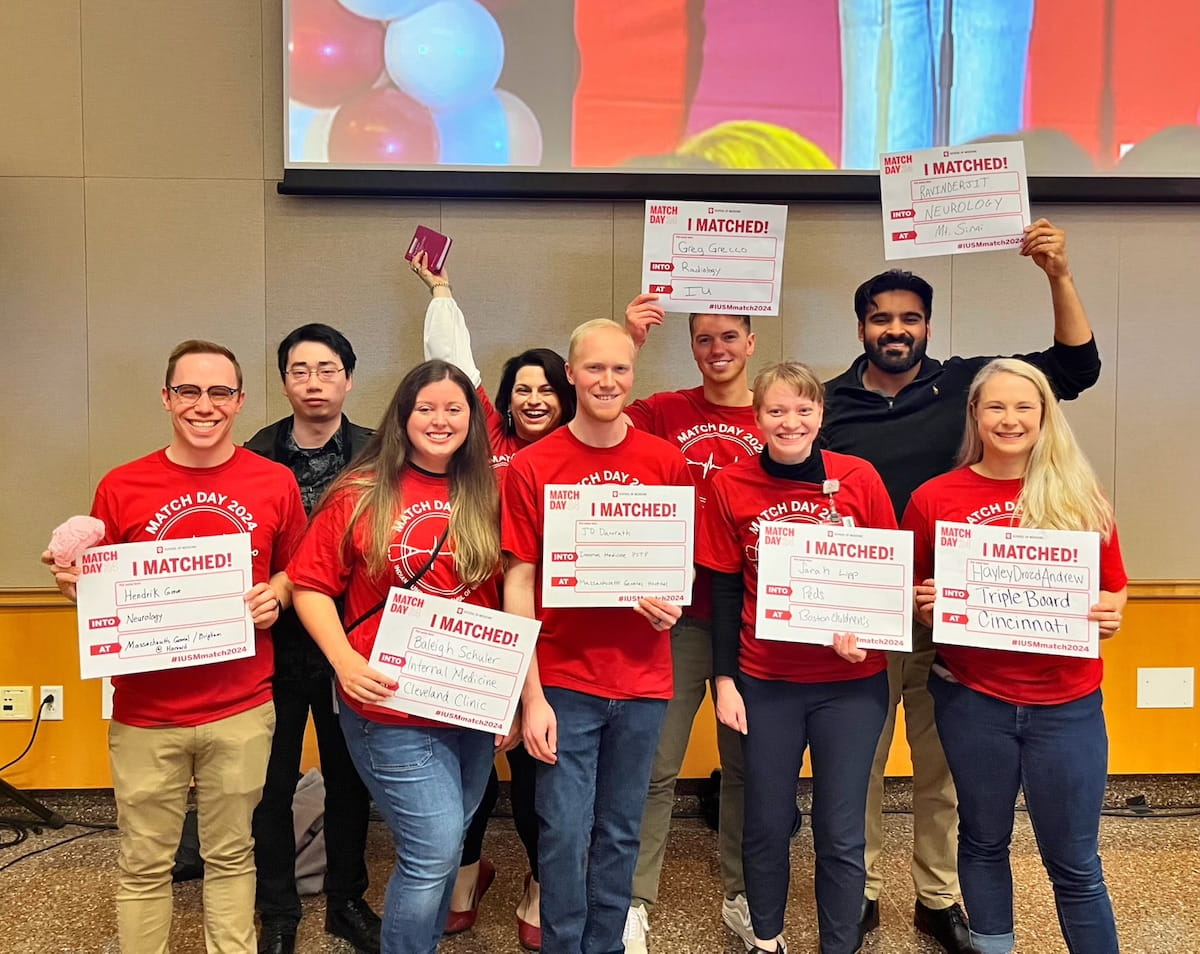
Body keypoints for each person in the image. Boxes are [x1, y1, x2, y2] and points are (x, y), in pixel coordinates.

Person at [820, 219, 1103, 954]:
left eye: (910, 318)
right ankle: (865, 892)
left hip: (969, 616)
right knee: (862, 762)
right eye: (881, 317)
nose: (896, 329)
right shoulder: (827, 405)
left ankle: (937, 896)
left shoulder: (970, 385)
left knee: (944, 766)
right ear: (860, 328)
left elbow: (1076, 368)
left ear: (927, 327)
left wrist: (1058, 273)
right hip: (866, 606)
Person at [44, 340, 306, 954]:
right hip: (144, 715)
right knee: (142, 866)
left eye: (219, 392)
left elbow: (297, 571)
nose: (204, 405)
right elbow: (98, 595)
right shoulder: (121, 485)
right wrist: (73, 588)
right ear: (166, 399)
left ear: (240, 401)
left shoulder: (274, 482)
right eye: (189, 390)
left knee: (233, 856)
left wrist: (277, 595)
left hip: (241, 708)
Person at [288, 359, 515, 954]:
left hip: (470, 702)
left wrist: (513, 695)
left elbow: (511, 592)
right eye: (426, 408)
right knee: (434, 848)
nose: (440, 420)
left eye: (454, 409)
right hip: (387, 703)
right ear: (402, 415)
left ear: (473, 419)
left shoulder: (494, 492)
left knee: (451, 838)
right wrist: (344, 661)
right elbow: (311, 585)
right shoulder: (362, 492)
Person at [903, 358, 1127, 954]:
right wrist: (926, 606)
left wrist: (1111, 612)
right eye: (995, 406)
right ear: (974, 413)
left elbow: (1115, 585)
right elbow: (917, 593)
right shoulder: (934, 499)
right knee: (981, 840)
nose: (1010, 419)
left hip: (1067, 704)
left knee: (1076, 862)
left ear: (1045, 416)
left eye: (1024, 406)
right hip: (973, 700)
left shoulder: (1082, 496)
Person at [502, 319, 693, 954]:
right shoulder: (533, 465)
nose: (607, 381)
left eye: (619, 369)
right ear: (572, 377)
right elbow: (519, 581)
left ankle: (605, 945)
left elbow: (680, 567)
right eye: (593, 369)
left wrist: (673, 603)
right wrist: (530, 696)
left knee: (619, 831)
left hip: (643, 680)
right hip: (562, 680)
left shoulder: (666, 462)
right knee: (561, 830)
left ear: (632, 374)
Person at [698, 361, 894, 954]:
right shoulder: (730, 486)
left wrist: (864, 630)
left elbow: (886, 575)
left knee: (840, 829)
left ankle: (840, 944)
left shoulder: (858, 478)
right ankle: (767, 937)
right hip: (765, 680)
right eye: (776, 410)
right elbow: (725, 591)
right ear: (756, 418)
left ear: (820, 416)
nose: (791, 421)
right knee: (766, 820)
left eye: (803, 409)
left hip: (851, 684)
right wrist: (724, 681)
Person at [415, 251, 576, 949]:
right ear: (505, 399)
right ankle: (467, 866)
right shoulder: (487, 442)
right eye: (523, 389)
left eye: (548, 389)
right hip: (476, 626)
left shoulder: (585, 451)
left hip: (554, 636)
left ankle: (543, 878)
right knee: (468, 758)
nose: (535, 398)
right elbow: (455, 363)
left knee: (541, 765)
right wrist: (443, 288)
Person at [620, 294, 763, 952]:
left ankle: (743, 894)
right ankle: (634, 901)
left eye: (729, 336)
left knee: (748, 767)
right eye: (704, 339)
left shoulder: (776, 412)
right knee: (655, 766)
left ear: (751, 341)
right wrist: (631, 339)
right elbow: (600, 420)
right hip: (677, 617)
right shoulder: (665, 411)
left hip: (758, 623)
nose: (717, 349)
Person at [246, 324, 379, 954]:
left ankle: (346, 899)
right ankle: (277, 909)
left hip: (350, 643)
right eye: (300, 370)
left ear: (349, 379)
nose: (314, 381)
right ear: (284, 382)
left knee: (350, 778)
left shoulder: (381, 453)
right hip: (271, 646)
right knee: (270, 781)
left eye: (327, 369)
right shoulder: (254, 453)